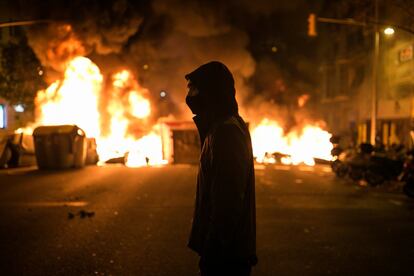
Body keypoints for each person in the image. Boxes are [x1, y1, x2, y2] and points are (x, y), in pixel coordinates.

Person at [185, 61, 257, 276]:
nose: (189, 95)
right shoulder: (219, 128)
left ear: (210, 91)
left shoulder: (226, 133)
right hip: (226, 252)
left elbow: (228, 200)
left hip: (226, 256)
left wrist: (213, 251)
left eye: (194, 88)